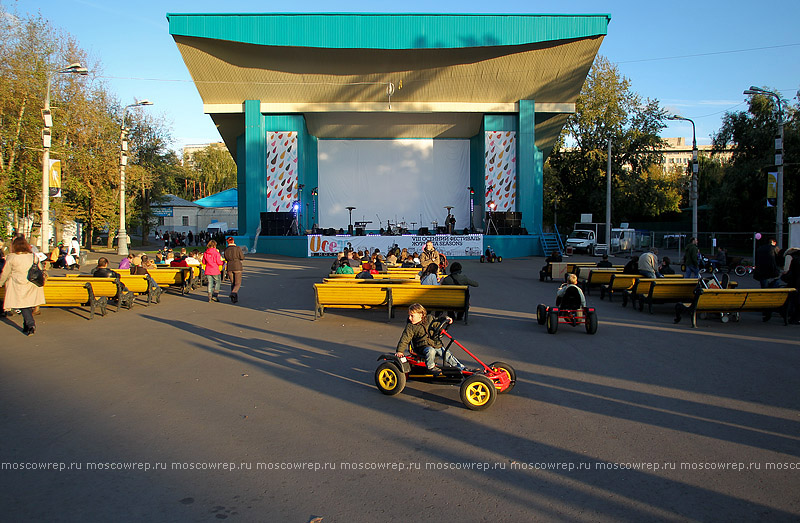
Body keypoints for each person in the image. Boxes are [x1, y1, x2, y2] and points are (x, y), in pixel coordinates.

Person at [395, 303, 467, 373]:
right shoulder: (410, 327)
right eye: (409, 316)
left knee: (446, 353)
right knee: (431, 350)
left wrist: (446, 319)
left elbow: (437, 322)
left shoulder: (429, 319)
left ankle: (460, 367)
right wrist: (400, 351)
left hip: (434, 343)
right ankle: (431, 366)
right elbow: (404, 339)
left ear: (421, 315)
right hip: (421, 346)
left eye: (412, 316)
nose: (410, 318)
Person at [0, 236, 46, 335]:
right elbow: (40, 268)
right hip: (32, 283)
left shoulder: (12, 257)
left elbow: (5, 272)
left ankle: (30, 324)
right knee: (27, 304)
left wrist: (1, 282)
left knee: (23, 305)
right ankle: (26, 326)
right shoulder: (33, 256)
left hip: (18, 283)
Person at [224, 237, 245, 304]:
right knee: (238, 283)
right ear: (233, 241)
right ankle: (233, 293)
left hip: (229, 266)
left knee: (233, 283)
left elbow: (226, 258)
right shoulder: (237, 248)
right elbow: (242, 257)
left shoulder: (226, 249)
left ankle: (234, 298)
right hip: (237, 266)